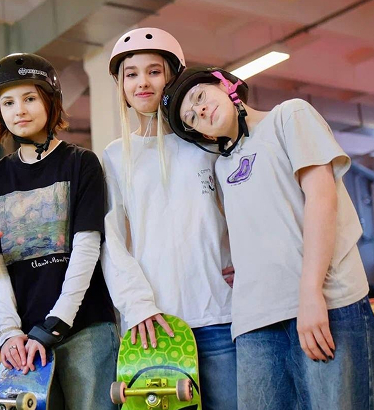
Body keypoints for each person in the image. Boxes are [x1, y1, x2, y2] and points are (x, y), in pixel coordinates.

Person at [162, 66, 374, 409]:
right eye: (191, 117)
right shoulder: (221, 167)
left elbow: (322, 199)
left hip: (327, 302)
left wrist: (310, 291)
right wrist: (247, 263)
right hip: (255, 320)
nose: (201, 110)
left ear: (224, 84)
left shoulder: (289, 116)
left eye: (200, 96)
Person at [0, 53, 118, 410]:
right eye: (8, 102)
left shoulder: (81, 163)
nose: (19, 110)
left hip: (85, 329)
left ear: (50, 101)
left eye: (30, 98)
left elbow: (87, 249)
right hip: (25, 337)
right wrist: (9, 332)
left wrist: (55, 324)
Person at [101, 28, 237, 409]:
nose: (142, 82)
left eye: (154, 71)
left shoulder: (206, 142)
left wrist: (247, 260)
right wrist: (138, 306)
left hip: (220, 315)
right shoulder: (114, 157)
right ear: (121, 85)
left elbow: (241, 208)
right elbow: (111, 243)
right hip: (154, 329)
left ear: (174, 77)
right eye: (131, 74)